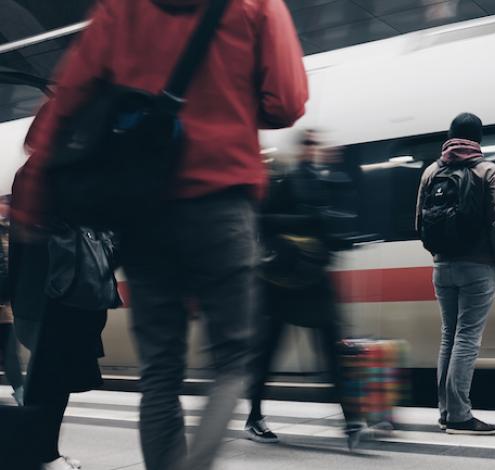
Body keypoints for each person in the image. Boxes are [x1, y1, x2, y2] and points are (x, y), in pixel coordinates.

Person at [11, 1, 308, 469]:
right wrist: (226, 103)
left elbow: (67, 100)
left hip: (144, 211)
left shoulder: (120, 11)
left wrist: (36, 193)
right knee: (233, 358)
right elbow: (285, 103)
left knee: (161, 372)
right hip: (221, 206)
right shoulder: (257, 7)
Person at [246, 130, 364, 449]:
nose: (315, 150)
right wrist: (309, 222)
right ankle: (254, 415)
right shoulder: (282, 180)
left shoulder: (326, 181)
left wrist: (332, 232)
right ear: (300, 149)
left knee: (330, 348)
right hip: (282, 281)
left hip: (313, 278)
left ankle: (350, 419)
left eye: (317, 144)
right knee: (268, 351)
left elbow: (333, 230)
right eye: (310, 144)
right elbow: (263, 220)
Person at [9, 167, 116, 470]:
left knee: (53, 379)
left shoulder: (40, 170)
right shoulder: (60, 171)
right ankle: (39, 454)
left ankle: (43, 452)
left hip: (58, 288)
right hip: (59, 288)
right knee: (51, 380)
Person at [416, 112, 495, 435]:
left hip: (442, 266)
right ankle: (459, 415)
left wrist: (440, 256)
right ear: (479, 139)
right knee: (467, 337)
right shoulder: (488, 171)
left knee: (448, 335)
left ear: (450, 135)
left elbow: (419, 222)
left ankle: (445, 410)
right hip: (479, 266)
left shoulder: (431, 171)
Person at [0, 195, 24, 406]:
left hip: (6, 306)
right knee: (9, 352)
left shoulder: (14, 232)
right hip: (4, 302)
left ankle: (21, 391)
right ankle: (20, 391)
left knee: (10, 352)